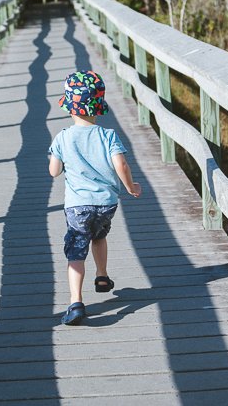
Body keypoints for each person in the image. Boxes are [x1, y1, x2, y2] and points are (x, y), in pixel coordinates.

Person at [48, 70, 142, 325]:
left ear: (69, 106)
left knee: (76, 252)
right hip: (105, 204)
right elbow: (121, 165)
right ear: (98, 106)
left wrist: (62, 161)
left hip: (77, 207)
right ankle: (102, 274)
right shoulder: (108, 135)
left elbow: (54, 172)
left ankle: (76, 302)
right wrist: (131, 186)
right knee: (99, 237)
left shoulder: (63, 137)